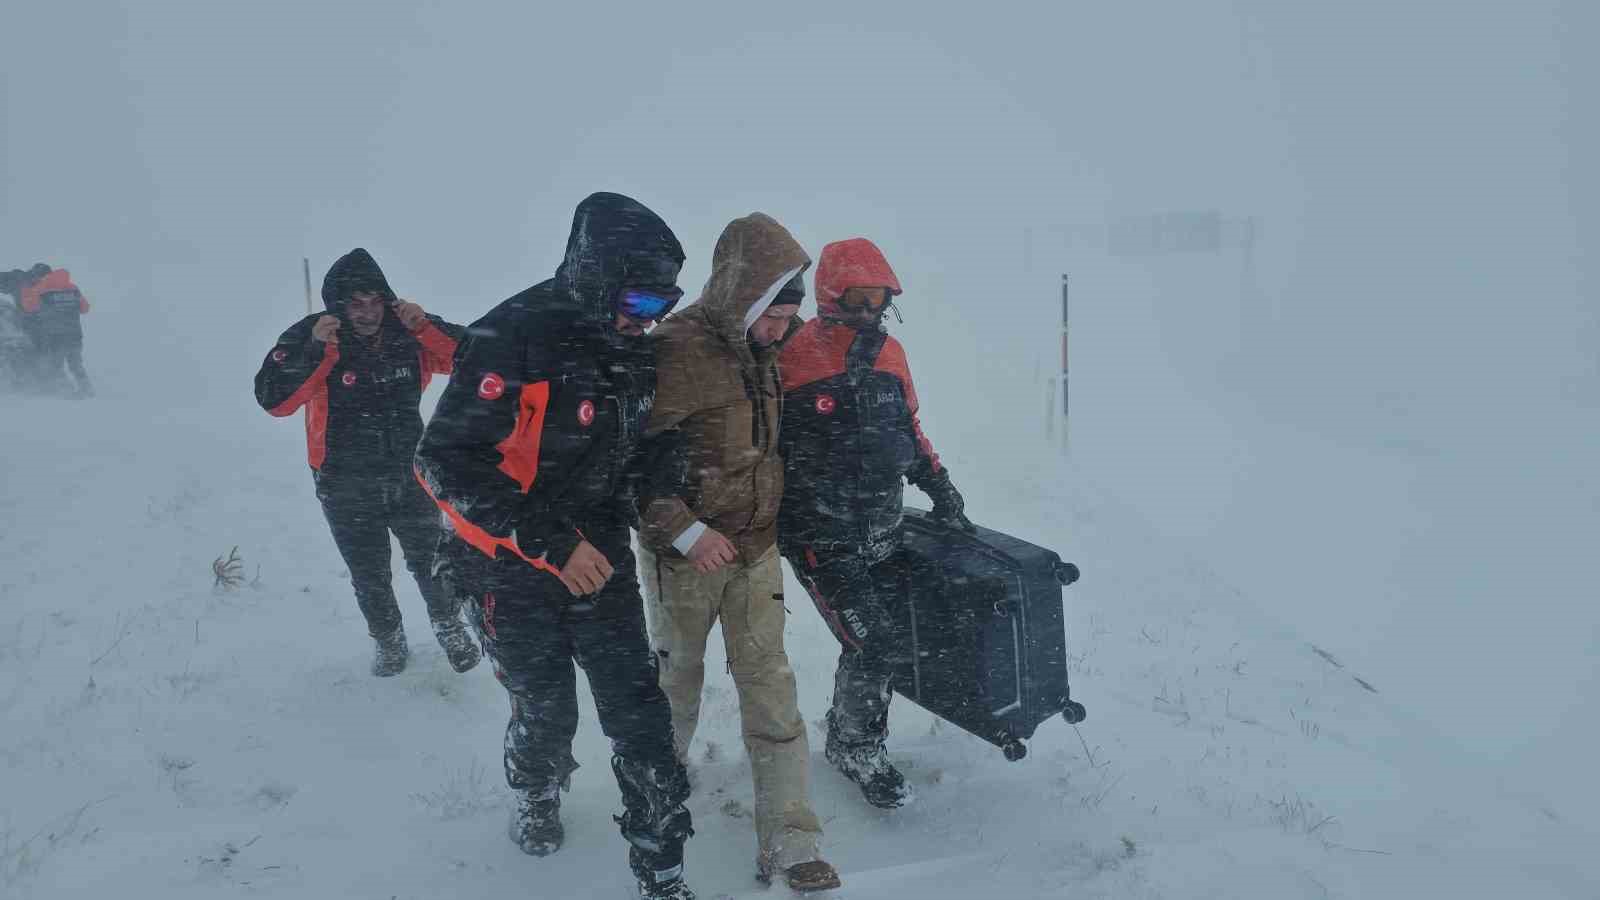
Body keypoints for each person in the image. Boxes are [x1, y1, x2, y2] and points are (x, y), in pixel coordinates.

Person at [413, 193, 698, 900]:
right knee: (546, 709)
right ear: (597, 274)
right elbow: (443, 461)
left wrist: (668, 500)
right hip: (505, 561)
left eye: (663, 304)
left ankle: (662, 867)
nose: (648, 319)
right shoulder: (512, 337)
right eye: (637, 298)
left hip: (595, 559)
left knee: (639, 709)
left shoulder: (634, 351)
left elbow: (632, 453)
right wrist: (549, 541)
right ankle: (536, 789)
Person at [635, 213, 840, 893]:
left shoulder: (764, 352)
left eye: (790, 317)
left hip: (755, 553)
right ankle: (655, 810)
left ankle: (791, 837)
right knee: (675, 692)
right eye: (773, 315)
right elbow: (628, 465)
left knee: (772, 690)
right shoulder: (676, 351)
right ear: (741, 297)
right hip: (684, 562)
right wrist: (689, 533)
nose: (784, 331)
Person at [777, 237, 975, 810]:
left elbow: (908, 429)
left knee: (879, 641)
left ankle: (850, 729)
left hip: (884, 528)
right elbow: (757, 442)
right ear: (830, 294)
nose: (868, 310)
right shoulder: (790, 358)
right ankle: (857, 750)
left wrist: (939, 485)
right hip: (821, 537)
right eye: (857, 297)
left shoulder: (892, 354)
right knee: (875, 641)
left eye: (878, 298)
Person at [253, 248, 478, 677]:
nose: (368, 312)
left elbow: (471, 357)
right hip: (343, 480)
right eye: (356, 303)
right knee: (369, 571)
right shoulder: (314, 335)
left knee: (432, 558)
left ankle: (449, 626)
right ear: (338, 304)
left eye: (375, 301)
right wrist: (317, 348)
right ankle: (389, 638)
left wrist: (425, 325)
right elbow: (275, 400)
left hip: (409, 471)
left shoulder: (407, 331)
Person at [17, 265, 92, 397]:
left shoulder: (42, 288)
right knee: (76, 364)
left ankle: (62, 391)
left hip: (55, 336)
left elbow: (28, 307)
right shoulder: (73, 288)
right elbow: (85, 309)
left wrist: (25, 290)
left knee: (56, 365)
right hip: (75, 335)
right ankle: (86, 388)